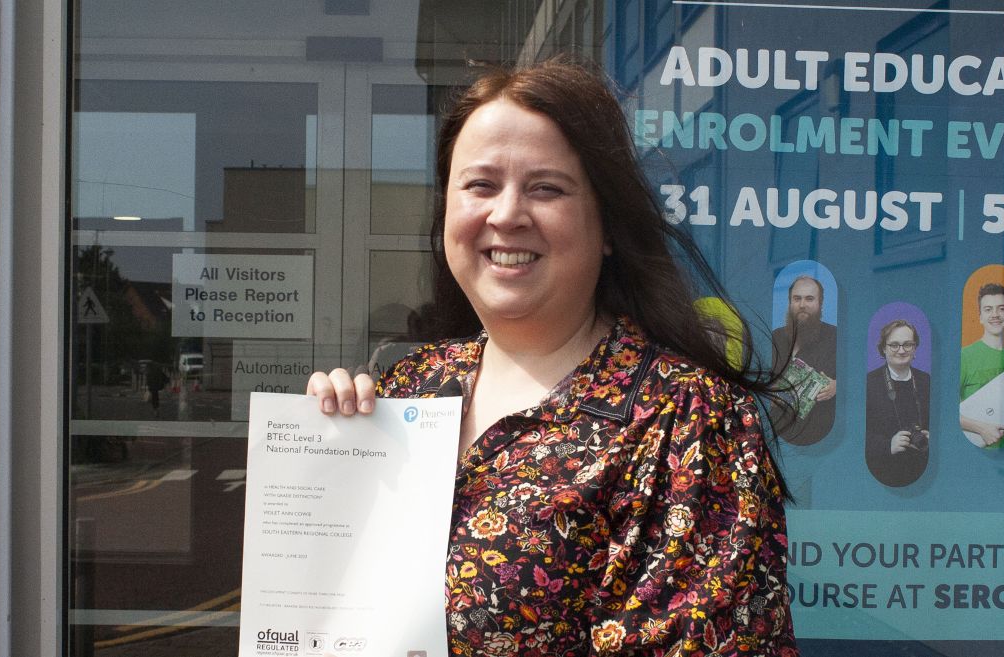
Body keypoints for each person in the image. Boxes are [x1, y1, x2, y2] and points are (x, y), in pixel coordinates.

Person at [307, 59, 796, 656]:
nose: (507, 214)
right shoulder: (411, 388)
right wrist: (323, 456)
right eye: (480, 185)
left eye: (546, 188)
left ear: (607, 225)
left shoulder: (688, 423)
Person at [959, 283, 1004, 448]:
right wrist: (982, 429)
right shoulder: (964, 356)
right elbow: (945, 412)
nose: (995, 314)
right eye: (988, 309)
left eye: (1001, 309)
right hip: (978, 453)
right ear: (980, 316)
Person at [771, 275, 836, 445]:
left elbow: (857, 381)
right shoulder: (775, 337)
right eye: (797, 299)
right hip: (777, 434)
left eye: (809, 299)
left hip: (819, 437)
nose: (802, 305)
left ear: (820, 303)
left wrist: (838, 387)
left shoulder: (836, 338)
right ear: (790, 303)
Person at [865, 320, 930, 487]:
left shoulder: (927, 382)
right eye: (894, 345)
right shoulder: (867, 384)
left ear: (915, 348)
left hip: (923, 473)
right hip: (881, 474)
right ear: (884, 349)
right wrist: (888, 445)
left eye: (907, 344)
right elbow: (857, 436)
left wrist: (933, 438)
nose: (901, 350)